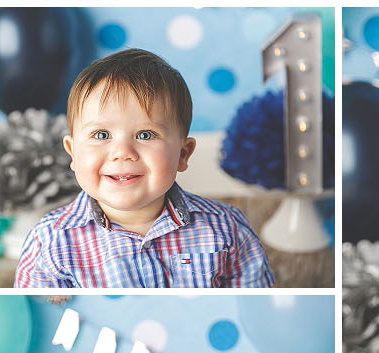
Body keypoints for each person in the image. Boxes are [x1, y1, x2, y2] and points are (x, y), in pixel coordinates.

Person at [14, 48, 273, 288]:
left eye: (146, 135)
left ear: (183, 154)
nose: (122, 152)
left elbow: (253, 306)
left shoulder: (226, 228)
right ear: (72, 152)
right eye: (101, 135)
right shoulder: (50, 243)